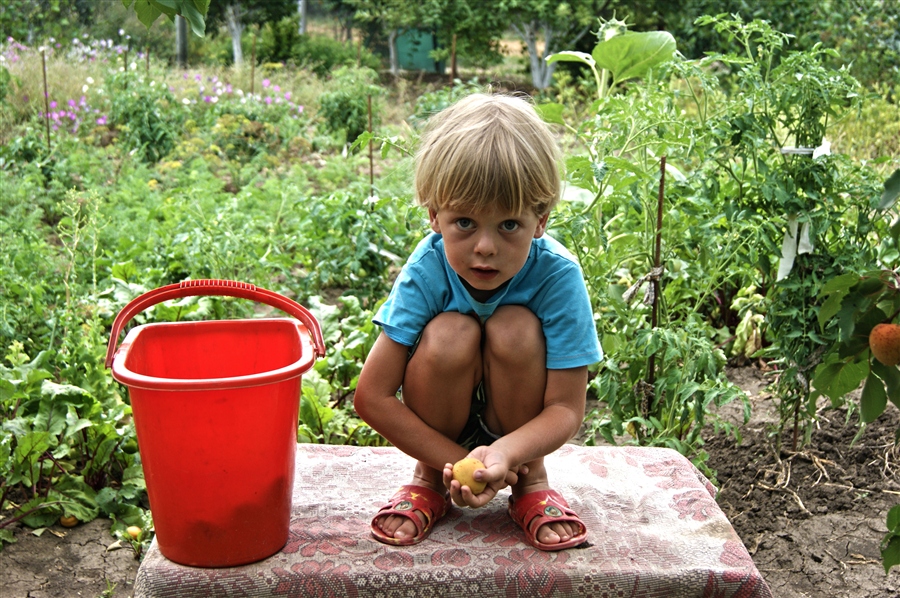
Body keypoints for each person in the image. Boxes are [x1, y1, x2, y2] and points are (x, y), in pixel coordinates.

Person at [353, 92, 601, 551]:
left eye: (509, 225)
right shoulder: (427, 270)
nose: (485, 247)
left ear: (540, 220)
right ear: (434, 216)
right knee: (450, 332)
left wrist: (506, 456)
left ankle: (531, 483)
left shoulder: (557, 275)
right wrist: (456, 464)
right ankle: (428, 480)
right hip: (440, 432)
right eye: (464, 222)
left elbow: (567, 409)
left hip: (517, 438)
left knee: (515, 326)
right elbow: (372, 396)